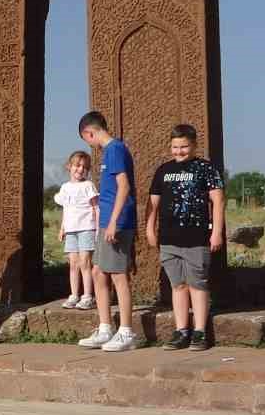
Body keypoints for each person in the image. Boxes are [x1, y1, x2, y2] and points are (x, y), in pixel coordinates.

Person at [146, 124, 225, 351]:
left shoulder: (206, 168)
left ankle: (199, 331)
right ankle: (181, 330)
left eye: (184, 147)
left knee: (197, 284)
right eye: (175, 147)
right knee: (178, 285)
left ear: (194, 145)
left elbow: (218, 202)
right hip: (169, 239)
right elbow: (153, 204)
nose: (179, 151)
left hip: (196, 238)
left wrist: (217, 232)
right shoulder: (163, 170)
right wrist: (150, 229)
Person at [76, 111, 140, 352]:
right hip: (107, 221)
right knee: (98, 272)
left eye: (87, 140)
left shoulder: (114, 150)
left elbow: (124, 187)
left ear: (89, 133)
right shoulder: (109, 152)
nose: (89, 144)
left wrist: (113, 221)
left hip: (118, 221)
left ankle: (126, 331)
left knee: (118, 275)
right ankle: (105, 328)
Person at [54, 151, 98, 311]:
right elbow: (66, 209)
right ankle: (74, 295)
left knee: (85, 262)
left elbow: (96, 208)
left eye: (84, 167)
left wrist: (98, 229)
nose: (80, 170)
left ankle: (87, 296)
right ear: (69, 166)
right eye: (77, 166)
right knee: (73, 264)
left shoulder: (88, 186)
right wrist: (62, 228)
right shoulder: (65, 188)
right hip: (71, 230)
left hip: (86, 228)